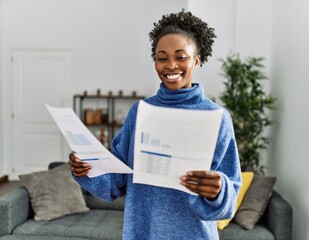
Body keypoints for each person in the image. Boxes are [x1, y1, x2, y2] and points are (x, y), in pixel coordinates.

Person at [68, 9, 241, 240]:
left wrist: (219, 190)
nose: (171, 65)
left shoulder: (217, 117)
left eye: (181, 57)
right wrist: (87, 170)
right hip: (142, 233)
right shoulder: (139, 113)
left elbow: (231, 192)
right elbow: (117, 179)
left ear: (197, 60)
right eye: (162, 58)